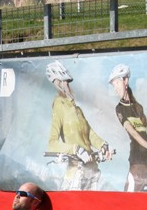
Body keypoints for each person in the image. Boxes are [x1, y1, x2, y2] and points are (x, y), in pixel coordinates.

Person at [45, 60, 112, 190]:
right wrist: (76, 150)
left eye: (68, 82)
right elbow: (52, 143)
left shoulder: (77, 109)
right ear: (58, 83)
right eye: (65, 82)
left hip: (92, 171)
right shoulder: (59, 104)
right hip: (76, 172)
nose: (68, 86)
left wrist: (103, 145)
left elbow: (90, 134)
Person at [108, 63, 147, 192]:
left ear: (126, 81)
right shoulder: (119, 108)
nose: (115, 89)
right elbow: (133, 133)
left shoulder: (138, 107)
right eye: (113, 86)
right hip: (137, 162)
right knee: (129, 201)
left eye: (117, 83)